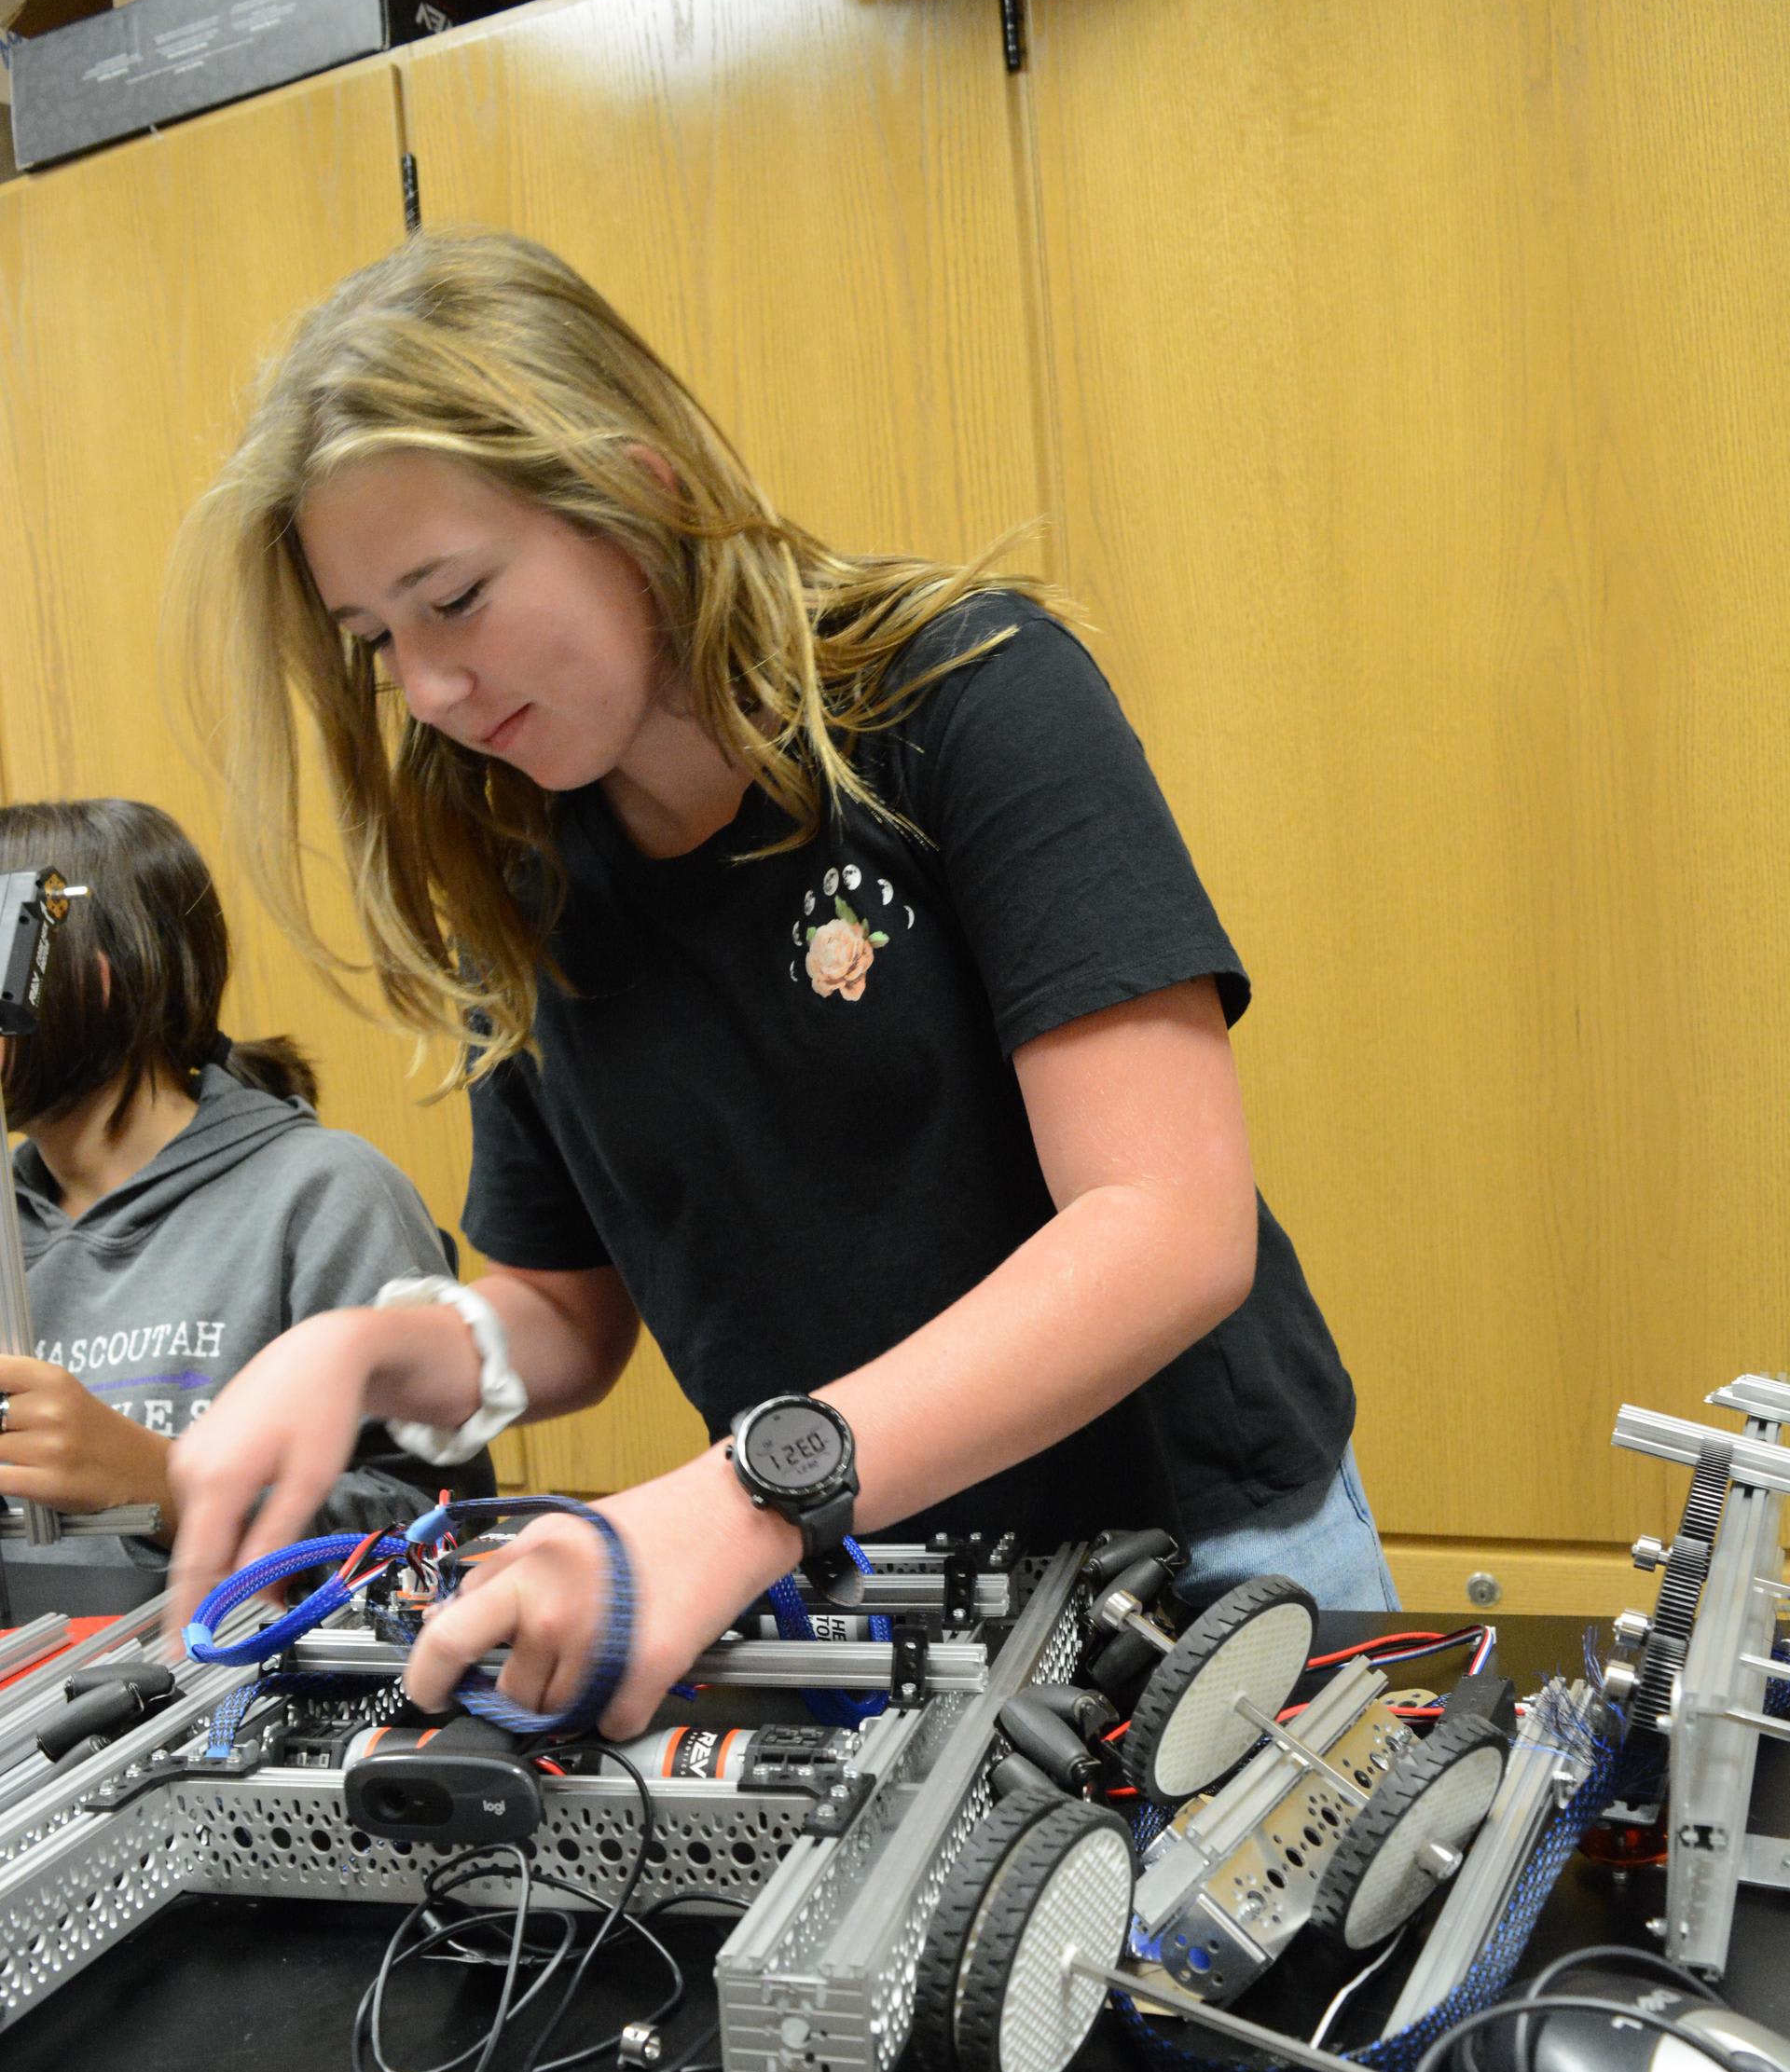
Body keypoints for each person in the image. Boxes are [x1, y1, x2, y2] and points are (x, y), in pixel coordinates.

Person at [165, 228, 1395, 1738]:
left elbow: (1166, 1228)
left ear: (636, 492)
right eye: (377, 641)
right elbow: (565, 1311)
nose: (428, 689)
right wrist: (365, 1350)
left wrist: (742, 1496)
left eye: (458, 598)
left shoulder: (967, 694)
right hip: (870, 1589)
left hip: (1206, 1574)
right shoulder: (516, 865)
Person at [0, 798, 494, 1567]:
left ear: (90, 979)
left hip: (231, 1647)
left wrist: (165, 1485)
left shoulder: (325, 1195)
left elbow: (439, 1530)